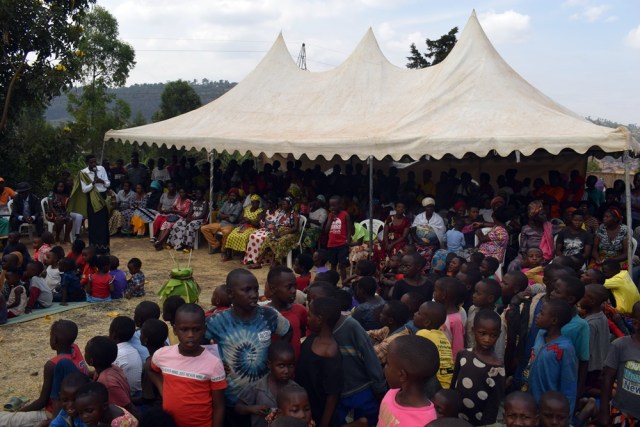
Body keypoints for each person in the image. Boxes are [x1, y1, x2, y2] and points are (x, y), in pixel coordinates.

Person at [205, 269, 291, 425]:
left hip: (263, 399)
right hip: (231, 398)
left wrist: (277, 355)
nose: (253, 295)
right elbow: (199, 343)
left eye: (256, 289)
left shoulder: (269, 315)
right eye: (247, 290)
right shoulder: (216, 321)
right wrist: (214, 362)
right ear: (230, 293)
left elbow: (287, 331)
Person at [0, 320, 89, 426]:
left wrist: (19, 412)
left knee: (4, 419)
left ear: (54, 339)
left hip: (54, 413)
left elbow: (42, 401)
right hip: (73, 407)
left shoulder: (52, 364)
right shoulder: (75, 349)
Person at [151, 304, 227, 427]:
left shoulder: (214, 363)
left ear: (204, 329)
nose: (190, 335)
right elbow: (150, 369)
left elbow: (219, 406)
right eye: (184, 329)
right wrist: (162, 389)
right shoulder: (162, 355)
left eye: (196, 329)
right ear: (175, 330)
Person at [523, 299, 577, 415]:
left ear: (554, 320)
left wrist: (566, 415)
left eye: (541, 313)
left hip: (549, 409)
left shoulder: (565, 348)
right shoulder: (540, 335)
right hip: (530, 402)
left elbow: (569, 386)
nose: (537, 316)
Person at [452, 310, 505, 425]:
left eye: (493, 335)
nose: (487, 339)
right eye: (482, 333)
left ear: (499, 334)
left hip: (478, 420)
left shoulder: (497, 368)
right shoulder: (463, 354)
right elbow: (453, 383)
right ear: (473, 331)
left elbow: (494, 404)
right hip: (457, 415)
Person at [296, 297, 343, 427]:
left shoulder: (330, 353)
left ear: (319, 319)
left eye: (310, 315)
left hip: (318, 413)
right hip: (305, 405)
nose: (307, 318)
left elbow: (332, 395)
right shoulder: (312, 338)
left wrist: (324, 423)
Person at [378, 335, 439, 426]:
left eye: (387, 363)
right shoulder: (391, 394)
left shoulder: (426, 423)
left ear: (402, 375)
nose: (384, 368)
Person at [235, 342, 298, 427]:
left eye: (291, 365)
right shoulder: (257, 387)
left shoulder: (296, 389)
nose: (286, 371)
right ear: (269, 365)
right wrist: (252, 409)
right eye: (281, 366)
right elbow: (238, 407)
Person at [598, 301, 640, 426]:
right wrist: (604, 412)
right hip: (623, 412)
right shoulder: (621, 345)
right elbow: (607, 379)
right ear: (636, 324)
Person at [84, 336, 137, 417]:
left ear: (91, 361)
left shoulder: (107, 382)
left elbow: (128, 406)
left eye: (85, 353)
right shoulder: (113, 368)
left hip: (121, 419)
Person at [69, 154, 111, 254]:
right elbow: (84, 189)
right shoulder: (83, 173)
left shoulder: (101, 169)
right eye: (91, 162)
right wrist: (93, 183)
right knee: (93, 224)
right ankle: (94, 248)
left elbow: (108, 183)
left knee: (103, 224)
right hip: (91, 199)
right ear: (87, 163)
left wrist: (102, 181)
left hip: (102, 198)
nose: (94, 164)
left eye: (95, 162)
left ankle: (105, 248)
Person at [266, 266, 308, 360]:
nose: (294, 291)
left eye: (295, 286)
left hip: (297, 365)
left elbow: (310, 329)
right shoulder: (264, 314)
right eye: (289, 287)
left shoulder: (300, 310)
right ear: (273, 289)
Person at [579, 284, 610, 397]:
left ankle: (609, 395)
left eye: (583, 296)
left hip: (590, 367)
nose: (580, 298)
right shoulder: (602, 316)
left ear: (592, 301)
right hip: (600, 364)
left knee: (585, 389)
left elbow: (586, 351)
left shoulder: (589, 324)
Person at [414, 301, 454, 389]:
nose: (415, 314)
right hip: (448, 383)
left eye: (419, 313)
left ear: (427, 322)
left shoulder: (423, 333)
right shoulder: (443, 337)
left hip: (435, 385)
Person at [255, 197, 301, 268]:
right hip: (280, 231)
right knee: (268, 239)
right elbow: (277, 224)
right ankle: (258, 262)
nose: (282, 206)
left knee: (281, 241)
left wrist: (281, 234)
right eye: (282, 204)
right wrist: (276, 231)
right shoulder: (282, 213)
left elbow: (295, 228)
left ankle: (276, 262)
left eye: (284, 204)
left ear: (290, 205)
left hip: (291, 233)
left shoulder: (295, 214)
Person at [509, 200, 554, 271]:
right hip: (527, 257)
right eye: (541, 214)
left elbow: (563, 229)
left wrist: (538, 259)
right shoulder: (526, 229)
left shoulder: (549, 228)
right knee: (513, 264)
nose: (544, 216)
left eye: (544, 214)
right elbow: (523, 249)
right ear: (534, 216)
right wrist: (528, 260)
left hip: (543, 258)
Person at [466, 278, 505, 357]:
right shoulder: (472, 310)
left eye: (478, 293)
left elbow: (499, 350)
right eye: (474, 292)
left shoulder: (498, 322)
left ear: (490, 298)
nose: (474, 295)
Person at [74, 382, 138, 427]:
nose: (84, 416)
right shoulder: (104, 409)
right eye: (80, 413)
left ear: (104, 406)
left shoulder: (118, 422)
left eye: (89, 411)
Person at [367, 300, 411, 365]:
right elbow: (372, 333)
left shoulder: (393, 341)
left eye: (382, 313)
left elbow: (368, 356)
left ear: (390, 320)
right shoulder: (389, 328)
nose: (380, 315)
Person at [201, 188, 243, 254]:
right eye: (231, 195)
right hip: (221, 223)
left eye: (234, 196)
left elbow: (232, 219)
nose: (232, 197)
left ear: (237, 196)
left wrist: (223, 216)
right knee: (204, 228)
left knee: (226, 232)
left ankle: (223, 250)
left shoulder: (239, 205)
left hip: (231, 225)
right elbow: (218, 214)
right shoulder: (226, 203)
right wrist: (228, 215)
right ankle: (216, 245)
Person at [109, 316, 143, 398]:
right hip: (139, 391)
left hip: (127, 395)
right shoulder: (133, 349)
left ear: (113, 334)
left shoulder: (115, 353)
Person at [137, 318, 168, 409]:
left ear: (145, 339)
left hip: (158, 407)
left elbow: (148, 399)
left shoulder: (150, 365)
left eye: (141, 333)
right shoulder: (168, 349)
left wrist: (129, 400)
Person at [432, 277, 466, 360]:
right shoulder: (434, 309)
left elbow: (457, 346)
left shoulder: (455, 320)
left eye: (435, 290)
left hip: (445, 360)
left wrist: (454, 363)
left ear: (443, 295)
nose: (433, 293)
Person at [224, 194, 264, 261]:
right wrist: (243, 220)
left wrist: (250, 221)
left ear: (259, 203)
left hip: (253, 227)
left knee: (244, 237)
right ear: (251, 203)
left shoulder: (260, 211)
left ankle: (243, 256)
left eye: (257, 202)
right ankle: (229, 255)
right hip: (243, 226)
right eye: (254, 202)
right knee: (231, 235)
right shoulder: (247, 209)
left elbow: (258, 223)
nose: (255, 204)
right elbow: (240, 218)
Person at [411, 197, 445, 271]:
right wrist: (419, 241)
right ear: (424, 208)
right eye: (428, 206)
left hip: (432, 244)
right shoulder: (419, 217)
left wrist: (429, 243)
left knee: (430, 252)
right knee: (415, 251)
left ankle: (426, 270)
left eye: (432, 206)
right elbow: (413, 231)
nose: (430, 208)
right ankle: (416, 269)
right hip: (418, 242)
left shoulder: (438, 219)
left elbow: (441, 235)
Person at [322, 195, 351, 283]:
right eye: (331, 206)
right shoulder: (330, 215)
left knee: (342, 265)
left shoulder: (345, 215)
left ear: (340, 205)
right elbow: (326, 230)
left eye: (334, 205)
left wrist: (347, 242)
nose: (332, 208)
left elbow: (349, 230)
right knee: (333, 264)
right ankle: (332, 283)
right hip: (332, 244)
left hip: (342, 244)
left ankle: (344, 283)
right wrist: (331, 219)